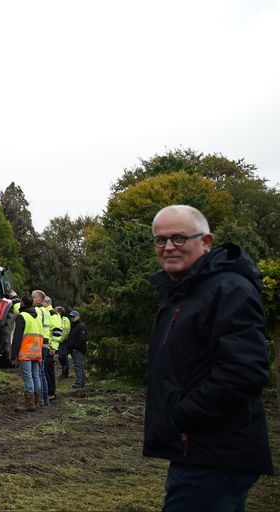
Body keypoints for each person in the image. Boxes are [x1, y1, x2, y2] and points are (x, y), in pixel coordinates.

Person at [145, 205, 274, 510]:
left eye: (179, 238)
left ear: (206, 241)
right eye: (161, 240)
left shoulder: (227, 289)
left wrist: (182, 415)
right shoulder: (185, 293)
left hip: (214, 452)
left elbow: (244, 370)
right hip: (197, 451)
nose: (169, 247)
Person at [9, 294, 44, 411]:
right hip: (37, 351)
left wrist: (13, 355)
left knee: (28, 377)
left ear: (22, 303)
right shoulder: (38, 317)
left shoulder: (22, 316)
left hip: (25, 352)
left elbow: (17, 337)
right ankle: (36, 401)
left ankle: (29, 403)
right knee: (36, 377)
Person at [59, 310, 86, 388]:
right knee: (78, 365)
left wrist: (76, 348)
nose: (72, 318)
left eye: (73, 316)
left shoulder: (81, 326)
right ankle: (81, 382)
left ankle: (79, 383)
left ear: (78, 317)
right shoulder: (74, 325)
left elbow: (82, 339)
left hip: (78, 350)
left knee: (78, 366)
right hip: (73, 349)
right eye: (71, 316)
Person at [55, 305, 72, 379]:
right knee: (60, 358)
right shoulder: (58, 319)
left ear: (60, 312)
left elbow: (65, 331)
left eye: (56, 311)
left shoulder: (65, 319)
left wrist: (59, 340)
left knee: (64, 357)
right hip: (58, 341)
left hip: (63, 342)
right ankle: (63, 373)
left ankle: (65, 373)